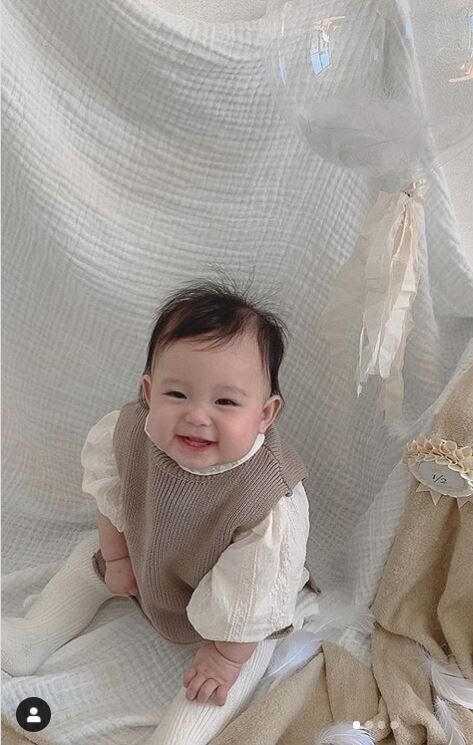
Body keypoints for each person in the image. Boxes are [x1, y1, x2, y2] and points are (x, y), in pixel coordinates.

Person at [2, 277, 317, 744]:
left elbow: (254, 592)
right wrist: (118, 557)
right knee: (89, 556)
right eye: (177, 395)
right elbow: (113, 497)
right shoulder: (131, 433)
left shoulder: (268, 498)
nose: (197, 416)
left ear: (265, 414)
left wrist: (224, 657)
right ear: (149, 392)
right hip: (153, 559)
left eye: (225, 402)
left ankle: (174, 737)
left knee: (230, 673)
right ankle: (33, 635)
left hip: (238, 603)